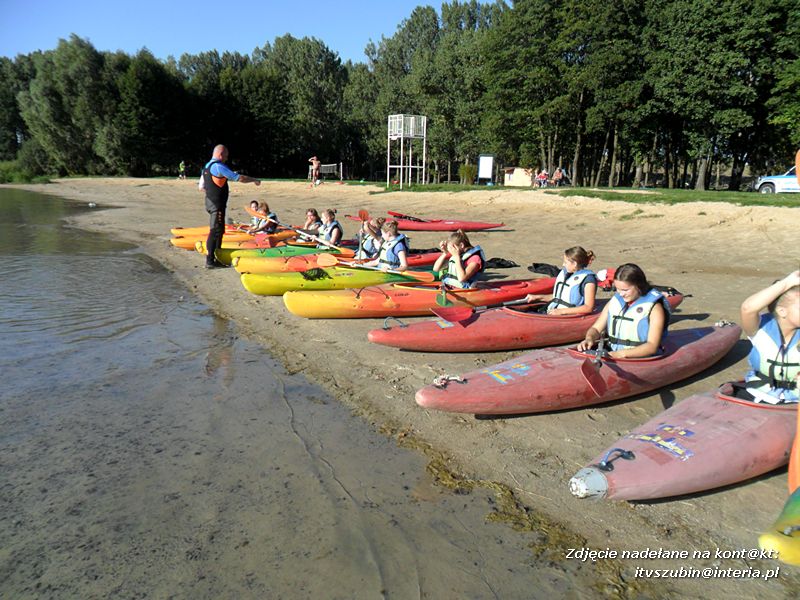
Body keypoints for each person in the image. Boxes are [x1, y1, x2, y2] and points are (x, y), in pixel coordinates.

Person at [577, 263, 670, 359]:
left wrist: (620, 354)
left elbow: (651, 346)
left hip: (639, 358)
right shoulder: (615, 301)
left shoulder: (655, 309)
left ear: (639, 286)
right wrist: (589, 338)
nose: (621, 294)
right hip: (612, 353)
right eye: (618, 289)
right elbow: (596, 329)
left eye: (625, 290)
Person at [738, 270, 800, 404]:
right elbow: (748, 308)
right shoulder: (761, 329)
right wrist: (787, 282)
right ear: (782, 311)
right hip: (757, 394)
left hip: (795, 400)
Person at [201, 144, 260, 269]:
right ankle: (210, 261)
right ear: (221, 154)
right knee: (215, 231)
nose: (227, 159)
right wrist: (254, 179)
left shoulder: (206, 166)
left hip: (210, 202)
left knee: (219, 230)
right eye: (226, 156)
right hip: (216, 205)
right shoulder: (218, 166)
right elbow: (239, 178)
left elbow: (201, 186)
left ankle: (217, 256)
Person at [524, 246, 597, 315]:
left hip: (568, 316)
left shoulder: (589, 280)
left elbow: (588, 307)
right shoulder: (568, 274)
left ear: (574, 264)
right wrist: (538, 297)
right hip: (553, 310)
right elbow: (559, 298)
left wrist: (562, 311)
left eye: (565, 262)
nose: (563, 264)